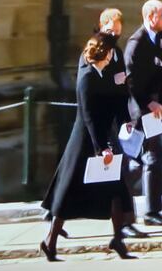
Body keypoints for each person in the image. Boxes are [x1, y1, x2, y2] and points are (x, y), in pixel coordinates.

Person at [40, 32, 137, 261]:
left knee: (116, 190)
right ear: (106, 53)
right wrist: (101, 147)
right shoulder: (86, 77)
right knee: (68, 192)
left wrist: (126, 122)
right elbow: (88, 116)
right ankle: (50, 241)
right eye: (112, 52)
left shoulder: (108, 74)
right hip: (85, 140)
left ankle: (117, 240)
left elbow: (117, 102)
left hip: (105, 138)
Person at [124, 0, 162, 226]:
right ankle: (123, 209)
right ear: (150, 17)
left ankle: (152, 211)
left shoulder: (158, 38)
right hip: (141, 111)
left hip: (155, 109)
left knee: (153, 159)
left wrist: (158, 54)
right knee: (138, 162)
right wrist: (148, 103)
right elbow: (130, 80)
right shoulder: (135, 43)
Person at [96, 8, 148, 238]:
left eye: (117, 31)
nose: (115, 34)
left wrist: (125, 119)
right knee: (78, 175)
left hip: (115, 123)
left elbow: (120, 90)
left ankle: (125, 222)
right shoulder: (95, 49)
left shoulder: (116, 52)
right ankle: (57, 215)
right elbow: (90, 86)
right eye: (111, 30)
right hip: (99, 124)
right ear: (103, 25)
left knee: (125, 170)